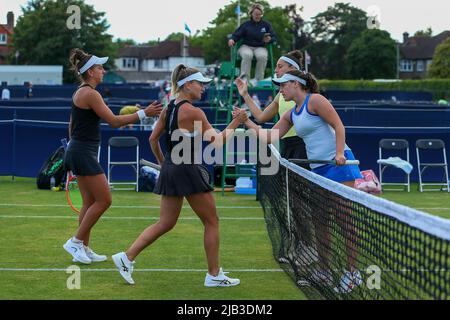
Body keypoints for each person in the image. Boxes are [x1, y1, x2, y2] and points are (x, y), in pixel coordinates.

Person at [112, 64, 247, 287]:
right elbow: (219, 140)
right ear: (186, 85)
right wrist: (237, 121)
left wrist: (164, 164)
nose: (203, 88)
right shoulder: (194, 112)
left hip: (173, 168)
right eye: (199, 84)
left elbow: (152, 139)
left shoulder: (168, 108)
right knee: (212, 221)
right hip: (188, 169)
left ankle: (126, 257)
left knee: (166, 222)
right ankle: (213, 275)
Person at [238, 70, 363, 294]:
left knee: (344, 220)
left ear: (295, 84)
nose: (280, 91)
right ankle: (324, 270)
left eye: (283, 86)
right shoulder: (292, 114)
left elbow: (339, 125)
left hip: (339, 166)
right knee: (319, 219)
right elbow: (269, 136)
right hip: (317, 170)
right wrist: (246, 120)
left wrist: (339, 153)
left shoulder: (316, 100)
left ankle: (353, 272)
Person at [63, 48, 163, 265]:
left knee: (89, 202)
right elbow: (114, 122)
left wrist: (74, 148)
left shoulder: (81, 92)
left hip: (79, 150)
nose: (104, 71)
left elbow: (72, 124)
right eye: (100, 68)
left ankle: (83, 248)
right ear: (90, 72)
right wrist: (144, 113)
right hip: (82, 152)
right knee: (105, 200)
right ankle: (76, 241)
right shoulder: (90, 93)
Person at [235, 50, 308, 166]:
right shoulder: (281, 95)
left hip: (306, 147)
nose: (275, 70)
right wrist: (245, 94)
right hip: (288, 146)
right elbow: (260, 117)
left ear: (293, 68)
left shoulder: (308, 94)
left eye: (280, 67)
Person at [228, 3, 277, 86]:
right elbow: (236, 34)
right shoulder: (246, 25)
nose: (257, 16)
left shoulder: (266, 25)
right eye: (255, 14)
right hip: (246, 46)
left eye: (259, 14)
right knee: (247, 55)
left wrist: (270, 39)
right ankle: (244, 79)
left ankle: (258, 80)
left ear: (261, 14)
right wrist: (232, 39)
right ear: (251, 14)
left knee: (262, 56)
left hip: (260, 47)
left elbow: (274, 37)